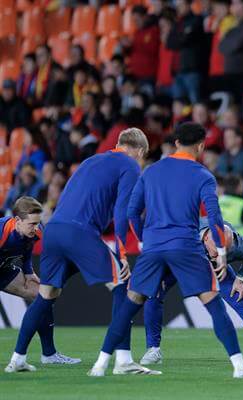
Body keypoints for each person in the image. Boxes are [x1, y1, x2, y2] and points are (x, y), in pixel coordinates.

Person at [90, 122, 243, 378]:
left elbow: (132, 212)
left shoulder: (150, 171)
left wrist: (146, 239)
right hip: (186, 247)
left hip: (153, 248)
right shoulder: (203, 175)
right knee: (215, 306)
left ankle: (101, 364)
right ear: (200, 146)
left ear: (176, 142)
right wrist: (221, 252)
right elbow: (214, 216)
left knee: (129, 305)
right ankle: (239, 367)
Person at [5, 129, 149, 374]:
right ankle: (123, 360)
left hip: (53, 231)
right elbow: (123, 211)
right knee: (122, 283)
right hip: (80, 232)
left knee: (46, 295)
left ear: (117, 144)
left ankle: (17, 358)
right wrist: (122, 252)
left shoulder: (90, 160)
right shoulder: (130, 165)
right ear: (141, 152)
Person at [140, 221, 243, 365]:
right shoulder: (185, 235)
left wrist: (240, 278)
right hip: (181, 259)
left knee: (240, 299)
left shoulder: (236, 244)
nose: (220, 252)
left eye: (224, 249)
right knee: (154, 292)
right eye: (217, 248)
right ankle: (153, 349)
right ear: (206, 238)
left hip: (214, 268)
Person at [2, 197, 80, 371]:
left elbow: (27, 250)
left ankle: (49, 354)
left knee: (42, 295)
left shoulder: (36, 231)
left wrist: (29, 271)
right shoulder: (1, 231)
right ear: (17, 221)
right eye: (31, 224)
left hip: (5, 271)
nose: (36, 228)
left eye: (38, 223)